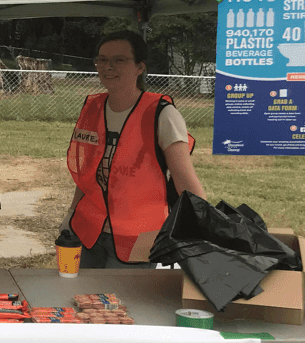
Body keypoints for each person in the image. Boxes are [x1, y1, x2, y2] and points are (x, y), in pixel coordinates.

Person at [61, 30, 206, 268]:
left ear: (140, 67)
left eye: (119, 60)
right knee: (82, 301)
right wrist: (71, 214)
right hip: (89, 230)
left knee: (122, 304)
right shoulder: (93, 108)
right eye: (102, 59)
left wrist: (203, 230)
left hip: (137, 237)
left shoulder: (162, 114)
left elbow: (186, 183)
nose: (108, 67)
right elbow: (88, 173)